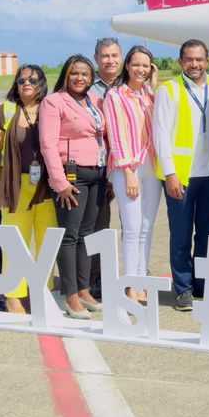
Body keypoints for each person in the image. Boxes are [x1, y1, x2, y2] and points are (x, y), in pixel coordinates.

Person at [154, 39, 209, 310]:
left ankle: (203, 283)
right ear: (181, 62)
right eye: (189, 59)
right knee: (181, 234)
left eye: (200, 59)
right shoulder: (168, 90)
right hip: (181, 175)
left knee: (208, 233)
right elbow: (160, 134)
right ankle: (182, 287)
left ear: (207, 61)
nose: (195, 64)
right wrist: (170, 174)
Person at [0, 64, 55, 315]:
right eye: (22, 79)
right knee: (16, 242)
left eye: (33, 80)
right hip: (16, 185)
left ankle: (42, 292)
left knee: (48, 242)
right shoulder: (5, 111)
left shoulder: (51, 108)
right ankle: (14, 296)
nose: (27, 83)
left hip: (46, 187)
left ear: (42, 84)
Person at [39, 55, 105, 319]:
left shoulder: (94, 101)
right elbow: (47, 144)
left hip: (97, 173)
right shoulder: (54, 102)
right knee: (70, 235)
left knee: (86, 234)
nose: (80, 78)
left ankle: (84, 288)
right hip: (72, 175)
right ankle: (70, 295)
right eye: (75, 73)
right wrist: (60, 182)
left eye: (86, 74)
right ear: (66, 75)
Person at [104, 44, 161, 300]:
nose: (140, 69)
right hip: (128, 166)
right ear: (127, 65)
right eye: (136, 64)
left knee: (147, 226)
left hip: (151, 164)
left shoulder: (148, 94)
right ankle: (131, 283)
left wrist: (154, 82)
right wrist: (127, 171)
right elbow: (116, 135)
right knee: (132, 226)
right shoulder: (116, 96)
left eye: (146, 66)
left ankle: (142, 278)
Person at [87, 37, 122, 300]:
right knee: (97, 223)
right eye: (105, 56)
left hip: (127, 166)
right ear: (97, 58)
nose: (110, 60)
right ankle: (93, 279)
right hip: (98, 166)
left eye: (114, 55)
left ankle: (133, 277)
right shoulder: (86, 88)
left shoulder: (130, 84)